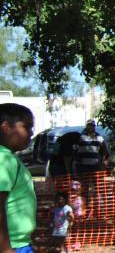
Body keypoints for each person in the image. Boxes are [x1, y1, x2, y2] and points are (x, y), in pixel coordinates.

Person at [0, 103, 36, 253]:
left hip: (20, 243)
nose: (31, 133)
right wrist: (6, 249)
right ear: (5, 127)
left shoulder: (9, 158)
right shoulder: (4, 159)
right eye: (26, 127)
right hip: (13, 246)